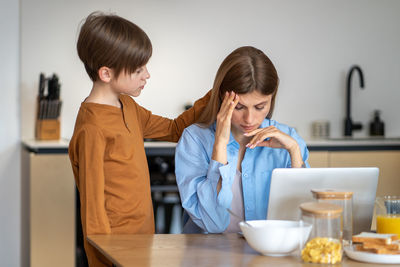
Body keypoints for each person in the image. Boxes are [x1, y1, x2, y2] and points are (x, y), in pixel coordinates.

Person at [68, 12, 210, 266]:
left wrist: (212, 97)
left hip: (142, 240)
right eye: (138, 69)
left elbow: (175, 129)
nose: (147, 75)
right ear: (106, 74)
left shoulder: (128, 106)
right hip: (115, 251)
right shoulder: (92, 127)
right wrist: (102, 260)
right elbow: (93, 209)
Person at [175, 46, 310, 234]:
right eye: (239, 107)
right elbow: (212, 224)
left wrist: (295, 152)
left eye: (260, 106)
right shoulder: (194, 140)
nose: (250, 119)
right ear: (223, 97)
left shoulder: (289, 140)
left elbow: (303, 220)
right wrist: (220, 145)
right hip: (208, 257)